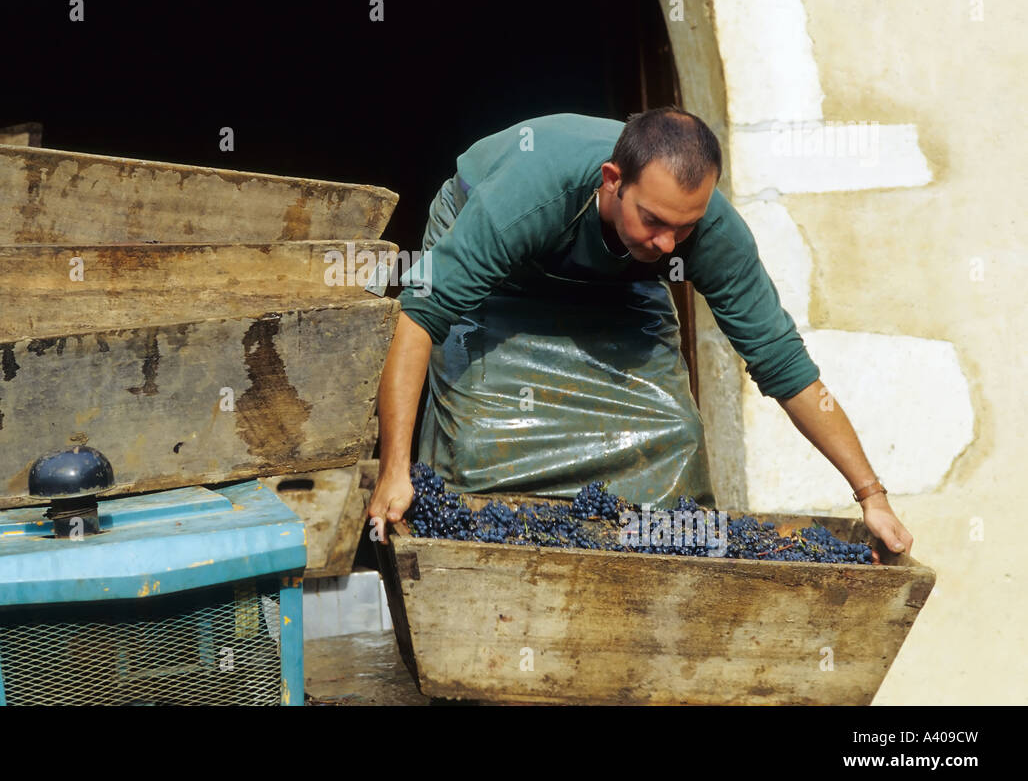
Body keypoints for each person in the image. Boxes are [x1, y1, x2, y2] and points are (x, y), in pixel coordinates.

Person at [368, 108, 913, 561]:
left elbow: (784, 364)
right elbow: (421, 317)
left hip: (617, 285)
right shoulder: (530, 193)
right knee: (478, 442)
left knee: (674, 434)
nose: (671, 243)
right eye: (654, 220)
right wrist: (394, 471)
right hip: (504, 279)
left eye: (686, 226)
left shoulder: (703, 231)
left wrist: (871, 495)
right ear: (612, 181)